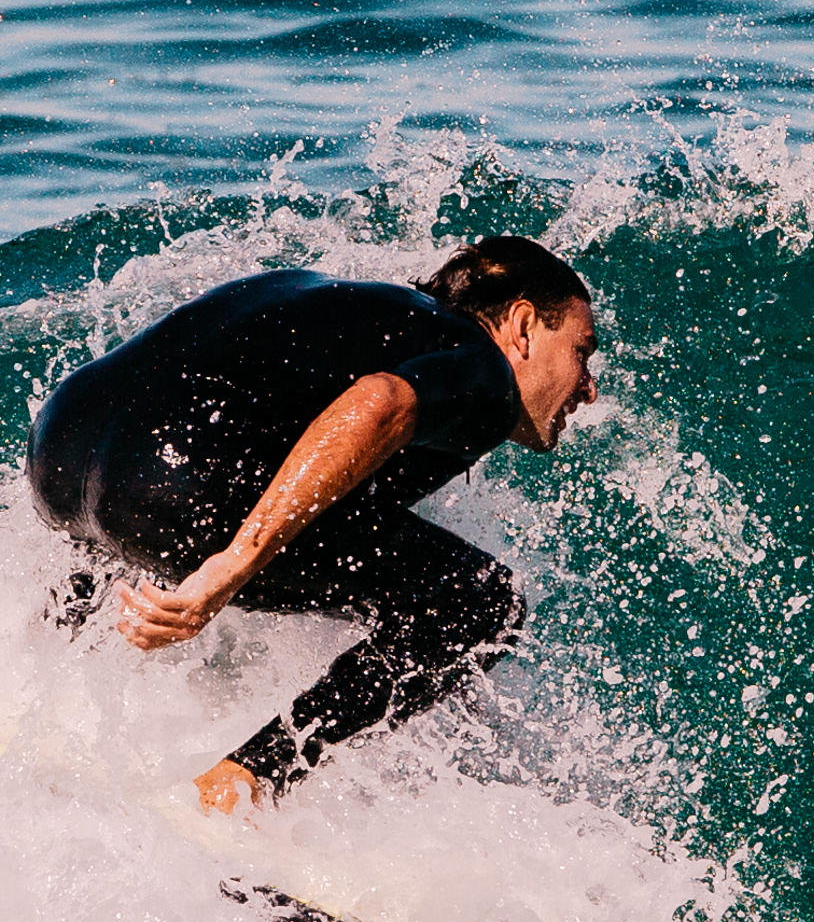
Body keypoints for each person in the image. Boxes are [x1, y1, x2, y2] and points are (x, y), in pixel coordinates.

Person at [27, 234, 598, 811]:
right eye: (582, 352)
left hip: (60, 449)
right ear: (523, 327)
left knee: (127, 526)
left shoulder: (350, 303)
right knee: (481, 603)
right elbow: (381, 403)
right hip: (180, 485)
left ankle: (31, 693)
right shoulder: (486, 371)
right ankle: (238, 786)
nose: (589, 389)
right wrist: (229, 567)